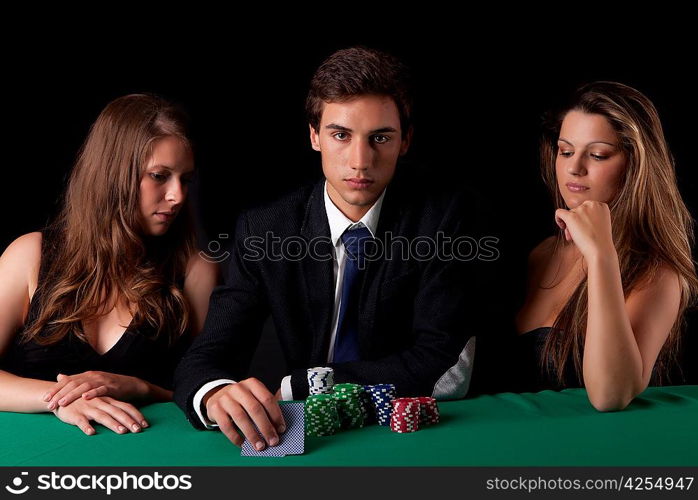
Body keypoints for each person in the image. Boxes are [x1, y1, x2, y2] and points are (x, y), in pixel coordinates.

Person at [174, 46, 491, 450]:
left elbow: (445, 365)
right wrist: (214, 392)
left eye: (381, 138)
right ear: (314, 136)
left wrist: (304, 384)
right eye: (341, 135)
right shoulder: (266, 228)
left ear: (405, 141)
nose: (360, 161)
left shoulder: (444, 221)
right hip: (312, 438)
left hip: (414, 438)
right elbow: (206, 356)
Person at [0, 94, 219, 435]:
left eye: (185, 179)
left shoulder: (194, 271)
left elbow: (212, 396)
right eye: (159, 176)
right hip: (37, 463)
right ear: (113, 175)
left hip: (149, 467)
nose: (177, 195)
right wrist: (61, 399)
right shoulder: (30, 255)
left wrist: (142, 388)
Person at [514, 81, 698, 411]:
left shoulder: (657, 274)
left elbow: (611, 395)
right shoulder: (540, 254)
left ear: (634, 165)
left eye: (597, 154)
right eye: (566, 151)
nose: (574, 167)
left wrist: (601, 255)